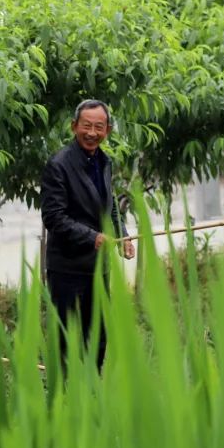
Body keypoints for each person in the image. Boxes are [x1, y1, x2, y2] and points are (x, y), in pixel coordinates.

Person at [39, 99, 135, 369]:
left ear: (108, 130)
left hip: (98, 268)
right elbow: (53, 218)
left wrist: (122, 234)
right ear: (74, 126)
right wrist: (91, 236)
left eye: (99, 127)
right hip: (68, 270)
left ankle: (92, 396)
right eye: (87, 126)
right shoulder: (58, 165)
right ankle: (64, 400)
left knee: (98, 338)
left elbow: (110, 203)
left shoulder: (103, 161)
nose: (92, 132)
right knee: (67, 339)